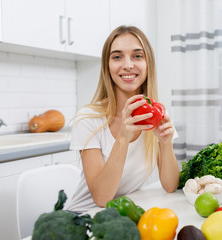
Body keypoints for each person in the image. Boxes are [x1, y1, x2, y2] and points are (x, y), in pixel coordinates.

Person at [66, 25, 179, 213]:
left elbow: (170, 186)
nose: (127, 65)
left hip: (121, 215)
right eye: (117, 57)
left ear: (147, 64)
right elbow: (102, 199)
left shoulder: (156, 116)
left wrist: (165, 142)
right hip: (83, 217)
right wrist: (123, 138)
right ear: (107, 66)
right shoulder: (88, 119)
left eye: (137, 56)